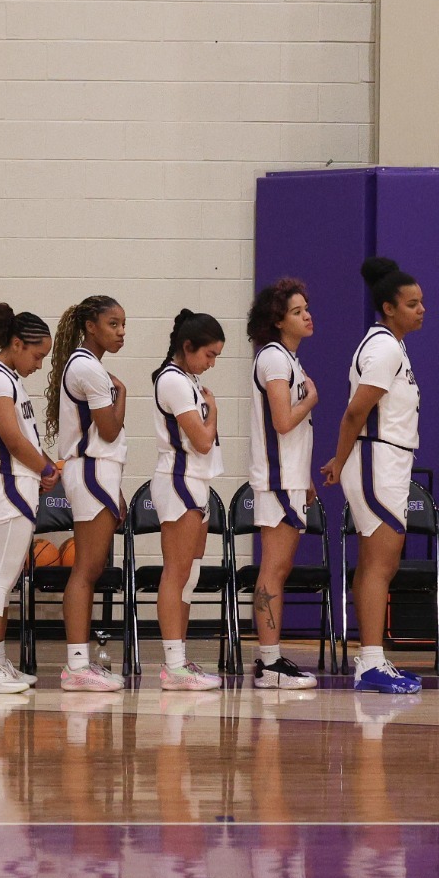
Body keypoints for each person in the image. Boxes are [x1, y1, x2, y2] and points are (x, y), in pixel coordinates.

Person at [321, 257, 425, 695]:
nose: (421, 309)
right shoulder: (382, 349)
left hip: (388, 461)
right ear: (388, 307)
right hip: (375, 461)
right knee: (381, 563)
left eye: (422, 302)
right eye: (412, 304)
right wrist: (338, 460)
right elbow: (355, 411)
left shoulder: (391, 345)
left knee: (377, 562)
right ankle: (369, 662)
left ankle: (372, 660)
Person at [0, 303, 57, 694]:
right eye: (37, 355)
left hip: (16, 481)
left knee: (6, 576)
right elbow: (12, 438)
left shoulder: (9, 379)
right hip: (5, 482)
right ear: (18, 343)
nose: (39, 365)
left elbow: (27, 440)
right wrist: (45, 469)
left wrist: (45, 464)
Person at [47, 295, 130, 692]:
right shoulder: (87, 368)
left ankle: (79, 665)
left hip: (99, 471)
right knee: (86, 570)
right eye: (113, 324)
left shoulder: (87, 365)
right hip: (92, 469)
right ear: (91, 326)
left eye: (123, 325)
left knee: (90, 569)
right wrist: (123, 397)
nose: (121, 333)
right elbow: (109, 431)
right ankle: (77, 666)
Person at [245, 279, 320, 689]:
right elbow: (282, 420)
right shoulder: (274, 359)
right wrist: (311, 398)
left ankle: (271, 660)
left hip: (288, 478)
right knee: (273, 569)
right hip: (275, 480)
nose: (307, 315)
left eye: (306, 308)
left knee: (280, 567)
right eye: (296, 311)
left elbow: (290, 433)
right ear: (277, 320)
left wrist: (304, 474)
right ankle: (269, 664)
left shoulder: (288, 359)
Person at [150, 310, 228, 692]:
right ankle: (173, 665)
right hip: (178, 480)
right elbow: (200, 439)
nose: (211, 363)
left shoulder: (188, 379)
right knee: (176, 572)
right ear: (188, 347)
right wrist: (213, 413)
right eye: (209, 355)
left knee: (189, 576)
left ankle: (179, 659)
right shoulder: (172, 380)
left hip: (195, 481)